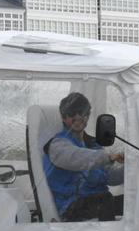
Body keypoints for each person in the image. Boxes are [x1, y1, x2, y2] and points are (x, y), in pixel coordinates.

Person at [43, 92, 124, 222]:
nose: (77, 117)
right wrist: (108, 157)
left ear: (88, 116)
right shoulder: (57, 145)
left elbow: (109, 177)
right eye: (71, 114)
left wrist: (132, 166)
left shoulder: (93, 144)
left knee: (131, 202)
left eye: (81, 113)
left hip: (97, 202)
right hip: (70, 207)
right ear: (64, 118)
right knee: (106, 200)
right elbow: (76, 158)